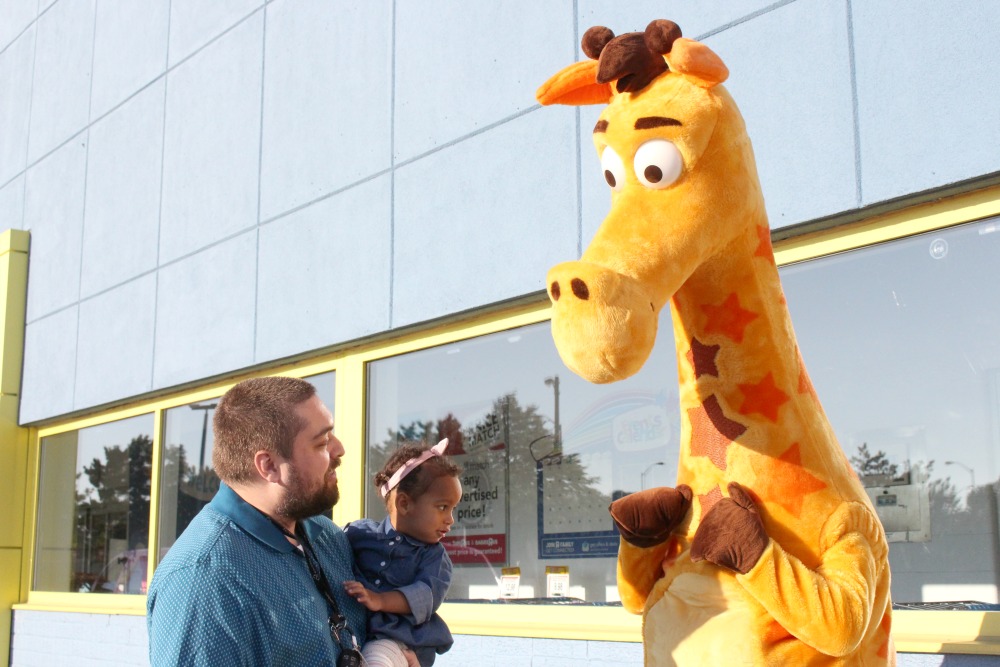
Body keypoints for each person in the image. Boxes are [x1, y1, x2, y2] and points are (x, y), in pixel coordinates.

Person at [147, 376, 367, 666]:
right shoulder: (203, 581)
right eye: (322, 442)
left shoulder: (327, 536)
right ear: (269, 466)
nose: (338, 450)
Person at [343, 439, 462, 667]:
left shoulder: (434, 557)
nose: (450, 519)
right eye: (442, 507)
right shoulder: (360, 533)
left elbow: (424, 595)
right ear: (404, 504)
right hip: (359, 634)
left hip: (402, 640)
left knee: (377, 659)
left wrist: (379, 600)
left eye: (452, 508)